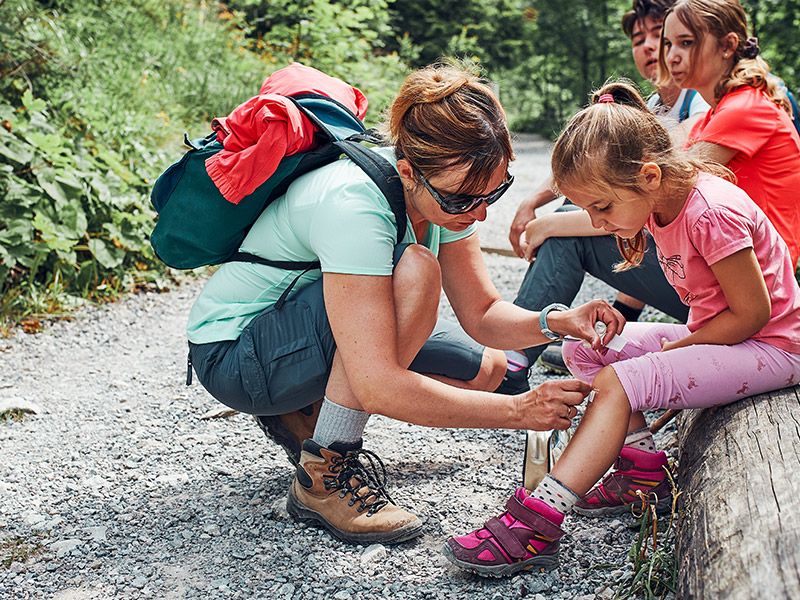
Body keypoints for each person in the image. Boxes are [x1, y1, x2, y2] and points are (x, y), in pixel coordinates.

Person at [186, 62, 625, 546]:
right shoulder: (355, 203)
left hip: (299, 329)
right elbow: (377, 385)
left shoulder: (447, 192)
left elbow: (482, 314)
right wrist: (521, 411)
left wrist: (559, 321)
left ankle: (309, 404)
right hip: (237, 353)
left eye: (494, 193)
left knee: (487, 370)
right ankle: (323, 472)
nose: (479, 213)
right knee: (417, 271)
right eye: (463, 200)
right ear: (408, 171)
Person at [444, 79, 800, 577]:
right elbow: (604, 228)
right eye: (590, 209)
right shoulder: (658, 200)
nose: (597, 220)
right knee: (589, 347)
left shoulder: (711, 212)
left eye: (602, 207)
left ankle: (539, 518)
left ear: (650, 175)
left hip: (773, 348)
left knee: (619, 380)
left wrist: (676, 349)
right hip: (730, 336)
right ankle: (643, 475)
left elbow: (752, 314)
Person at [501, 0, 708, 384]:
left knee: (567, 233)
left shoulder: (701, 110)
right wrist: (534, 202)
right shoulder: (652, 107)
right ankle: (537, 346)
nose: (650, 47)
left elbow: (655, 209)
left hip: (721, 283)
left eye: (661, 37)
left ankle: (511, 358)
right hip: (684, 264)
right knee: (576, 205)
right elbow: (593, 171)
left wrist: (549, 224)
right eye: (638, 38)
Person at [660, 0, 800, 269]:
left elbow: (667, 193)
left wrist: (553, 224)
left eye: (686, 42)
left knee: (575, 239)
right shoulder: (718, 113)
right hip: (735, 261)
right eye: (668, 44)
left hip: (762, 277)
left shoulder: (744, 108)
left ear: (727, 46)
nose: (672, 56)